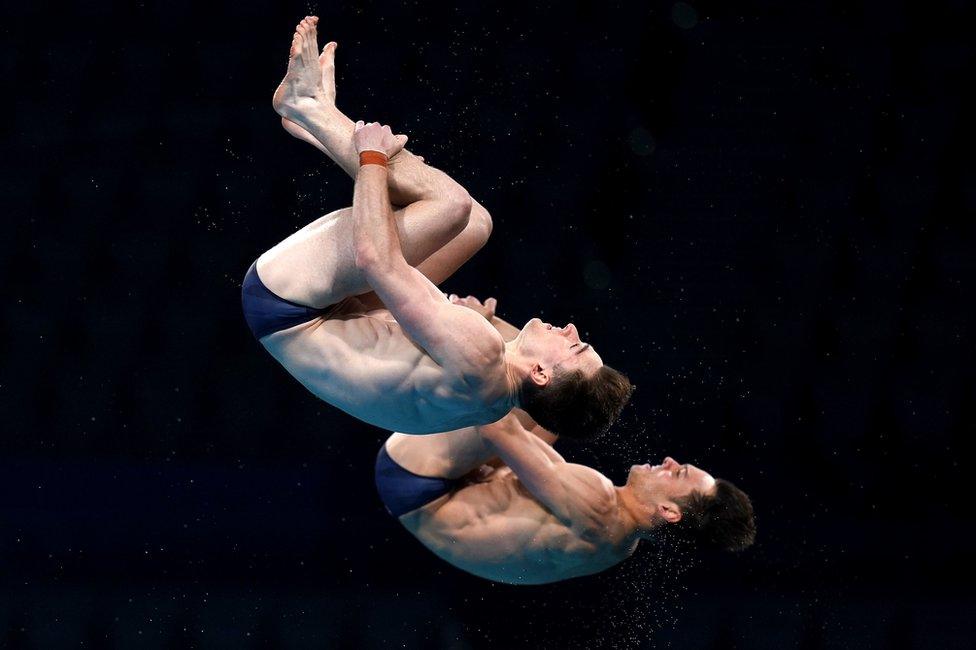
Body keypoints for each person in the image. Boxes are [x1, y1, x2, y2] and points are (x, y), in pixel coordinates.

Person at [242, 16, 632, 438]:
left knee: (450, 206)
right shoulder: (493, 404)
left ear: (539, 372)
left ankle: (307, 106)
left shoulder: (480, 355)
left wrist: (371, 158)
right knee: (474, 225)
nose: (572, 329)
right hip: (328, 318)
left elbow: (375, 258)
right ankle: (317, 121)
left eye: (575, 346)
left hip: (286, 302)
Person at [375, 297, 756, 584]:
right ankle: (527, 345)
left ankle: (402, 312)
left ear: (670, 513)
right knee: (567, 407)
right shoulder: (620, 543)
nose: (670, 461)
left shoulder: (599, 504)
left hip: (417, 481)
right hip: (438, 495)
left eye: (679, 473)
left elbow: (495, 425)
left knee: (533, 396)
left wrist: (479, 327)